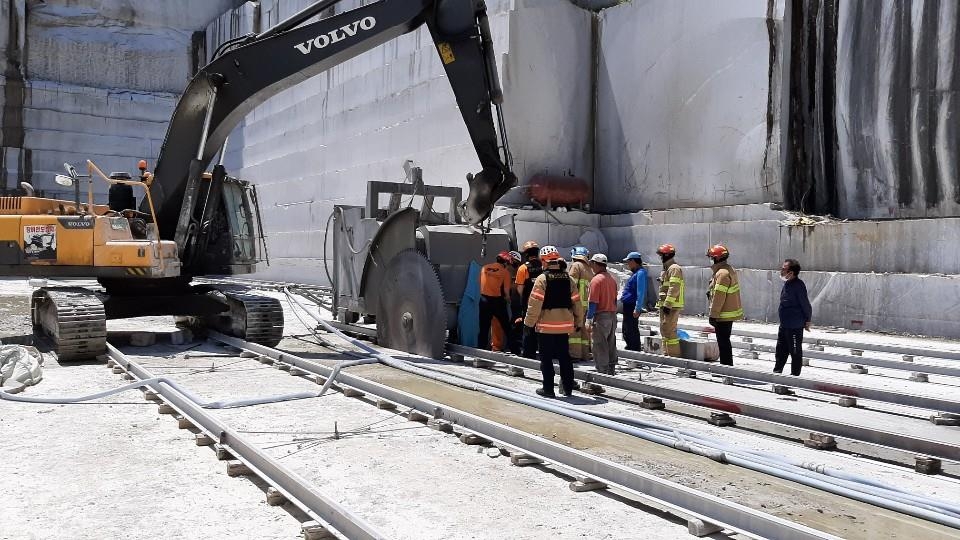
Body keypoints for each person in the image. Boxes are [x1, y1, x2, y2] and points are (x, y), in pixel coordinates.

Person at [523, 245, 584, 398]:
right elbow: (577, 302)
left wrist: (528, 324)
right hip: (564, 326)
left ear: (544, 261)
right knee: (564, 357)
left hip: (546, 327)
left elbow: (535, 304)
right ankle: (568, 388)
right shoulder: (568, 279)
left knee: (546, 359)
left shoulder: (542, 279)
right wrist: (579, 322)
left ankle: (548, 389)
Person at [705, 244, 743, 365]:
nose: (711, 259)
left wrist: (713, 315)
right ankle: (726, 366)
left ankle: (726, 367)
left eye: (712, 257)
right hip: (727, 313)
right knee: (724, 341)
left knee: (723, 342)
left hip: (722, 314)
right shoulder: (728, 270)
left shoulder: (722, 273)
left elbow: (719, 297)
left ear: (717, 258)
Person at [774, 258, 812, 376]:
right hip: (784, 325)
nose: (781, 271)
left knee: (795, 353)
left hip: (794, 326)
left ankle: (794, 378)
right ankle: (777, 373)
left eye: (783, 269)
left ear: (791, 272)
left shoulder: (798, 285)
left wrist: (807, 320)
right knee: (780, 351)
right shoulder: (787, 283)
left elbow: (806, 304)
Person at [586, 253, 619, 375]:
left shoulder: (596, 280)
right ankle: (611, 369)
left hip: (601, 317)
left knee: (600, 345)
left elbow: (593, 302)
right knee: (611, 343)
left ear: (595, 264)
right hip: (612, 316)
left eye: (592, 264)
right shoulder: (611, 280)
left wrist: (588, 319)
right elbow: (615, 300)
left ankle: (602, 370)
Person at [477, 251, 514, 351]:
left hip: (483, 300)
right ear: (505, 263)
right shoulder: (505, 272)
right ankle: (515, 349)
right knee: (507, 327)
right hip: (497, 301)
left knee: (483, 328)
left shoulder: (484, 268)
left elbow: (480, 283)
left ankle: (481, 350)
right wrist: (509, 301)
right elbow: (506, 292)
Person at [515, 240, 543, 359]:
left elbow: (520, 289)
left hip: (529, 303)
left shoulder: (523, 268)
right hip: (544, 303)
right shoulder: (544, 266)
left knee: (528, 328)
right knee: (543, 328)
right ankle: (544, 352)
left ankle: (529, 353)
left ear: (526, 254)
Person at [655, 243, 684, 357]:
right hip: (666, 306)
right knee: (664, 330)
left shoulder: (674, 268)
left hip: (671, 306)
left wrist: (667, 304)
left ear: (666, 255)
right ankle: (666, 354)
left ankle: (674, 357)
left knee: (670, 332)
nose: (661, 258)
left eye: (662, 255)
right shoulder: (667, 268)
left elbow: (674, 287)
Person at [491, 251, 522, 353]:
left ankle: (509, 345)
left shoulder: (517, 272)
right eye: (510, 262)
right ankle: (501, 346)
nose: (511, 265)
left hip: (514, 302)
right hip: (504, 302)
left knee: (512, 324)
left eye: (514, 263)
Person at [567, 246, 594, 361]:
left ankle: (574, 354)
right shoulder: (589, 269)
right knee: (583, 330)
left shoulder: (576, 266)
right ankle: (585, 354)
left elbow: (571, 285)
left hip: (577, 303)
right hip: (586, 304)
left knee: (575, 330)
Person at [620, 251, 648, 351]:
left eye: (628, 262)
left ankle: (634, 348)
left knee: (631, 329)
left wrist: (637, 308)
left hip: (632, 305)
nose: (627, 264)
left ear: (633, 261)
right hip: (628, 305)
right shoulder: (636, 273)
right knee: (627, 328)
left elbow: (640, 292)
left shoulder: (640, 273)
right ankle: (631, 346)